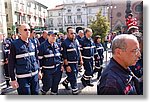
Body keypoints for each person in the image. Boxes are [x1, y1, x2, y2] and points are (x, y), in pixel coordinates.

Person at [8, 24, 40, 95]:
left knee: (36, 94)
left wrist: (39, 71)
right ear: (20, 32)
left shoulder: (33, 42)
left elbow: (36, 58)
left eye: (29, 30)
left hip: (34, 76)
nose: (28, 31)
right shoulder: (14, 44)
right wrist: (13, 79)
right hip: (23, 78)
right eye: (25, 30)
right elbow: (11, 63)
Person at [61, 27, 83, 95]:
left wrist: (81, 60)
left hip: (76, 63)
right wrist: (67, 66)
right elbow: (64, 56)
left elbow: (78, 51)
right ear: (67, 34)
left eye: (74, 33)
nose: (73, 35)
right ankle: (75, 91)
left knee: (74, 75)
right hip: (69, 63)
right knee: (73, 78)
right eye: (71, 33)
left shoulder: (76, 41)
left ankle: (65, 82)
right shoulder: (64, 43)